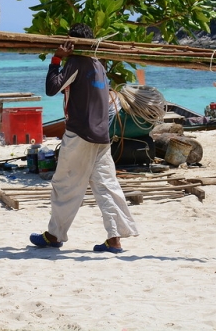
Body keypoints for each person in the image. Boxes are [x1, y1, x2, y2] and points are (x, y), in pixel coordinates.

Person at [29, 23, 139, 253]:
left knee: (65, 184)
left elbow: (52, 88)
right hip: (102, 136)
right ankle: (114, 238)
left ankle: (54, 235)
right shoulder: (99, 65)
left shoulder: (76, 62)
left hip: (80, 134)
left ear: (74, 43)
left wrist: (57, 59)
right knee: (106, 186)